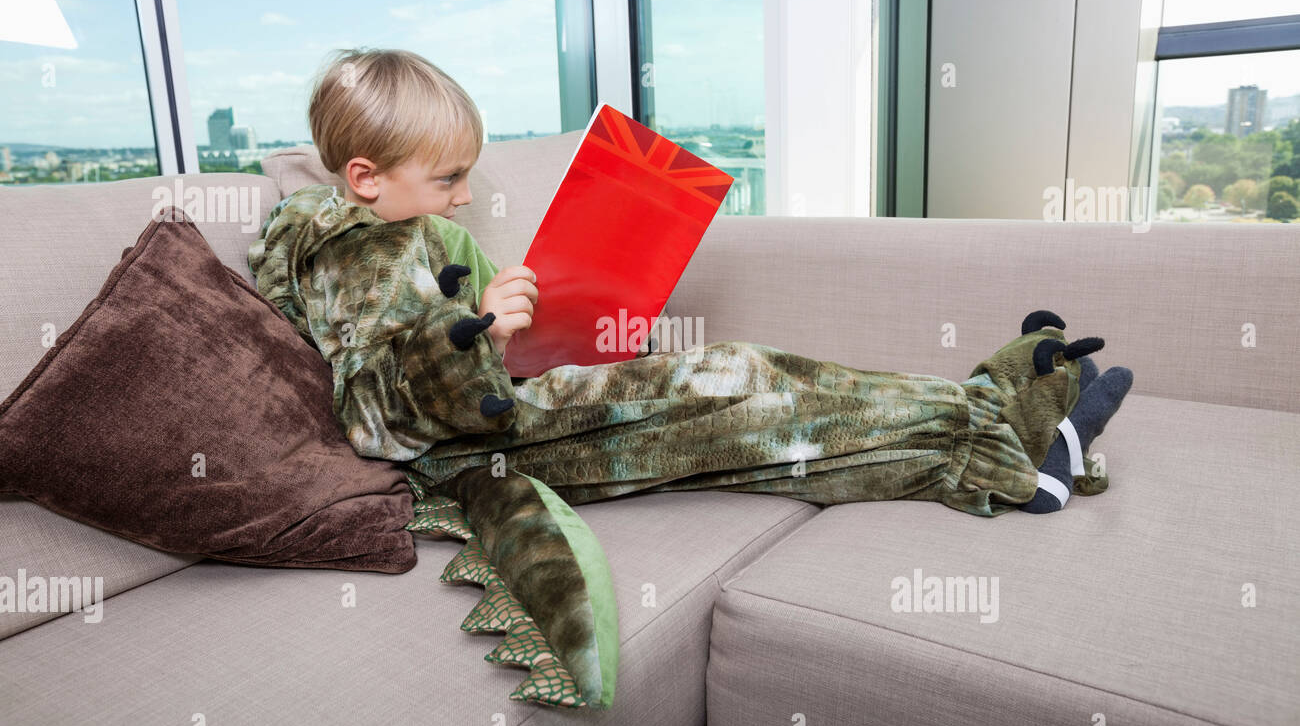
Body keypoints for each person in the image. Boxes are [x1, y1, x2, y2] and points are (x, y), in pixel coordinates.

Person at [249, 47, 1133, 518]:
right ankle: (1006, 454)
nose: (467, 196)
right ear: (365, 176)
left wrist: (550, 307)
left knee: (756, 390)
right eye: (447, 179)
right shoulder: (348, 254)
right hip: (479, 452)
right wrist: (476, 331)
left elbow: (485, 337)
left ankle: (989, 420)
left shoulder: (419, 231)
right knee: (747, 403)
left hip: (528, 401)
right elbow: (369, 415)